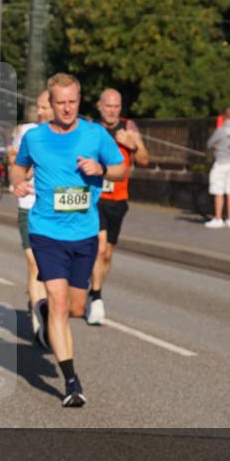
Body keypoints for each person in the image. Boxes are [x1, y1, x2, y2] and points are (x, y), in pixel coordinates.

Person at [11, 73, 126, 408]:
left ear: (80, 99)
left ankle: (45, 310)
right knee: (61, 304)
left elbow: (120, 169)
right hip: (46, 231)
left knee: (75, 308)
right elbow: (19, 168)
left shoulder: (95, 134)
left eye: (72, 102)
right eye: (60, 102)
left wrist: (101, 170)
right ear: (50, 101)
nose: (66, 108)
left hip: (84, 233)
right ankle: (72, 382)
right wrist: (19, 183)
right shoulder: (36, 137)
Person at [87, 88, 150, 325]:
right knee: (100, 248)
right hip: (95, 197)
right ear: (99, 105)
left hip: (119, 199)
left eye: (117, 106)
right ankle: (96, 298)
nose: (112, 110)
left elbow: (144, 160)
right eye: (108, 106)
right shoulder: (92, 129)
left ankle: (93, 287)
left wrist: (133, 146)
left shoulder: (129, 128)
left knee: (108, 253)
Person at [9, 89, 53, 346]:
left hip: (57, 211)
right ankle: (40, 320)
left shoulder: (68, 136)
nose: (39, 112)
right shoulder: (27, 133)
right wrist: (22, 176)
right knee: (35, 264)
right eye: (38, 107)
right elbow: (14, 163)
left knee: (55, 271)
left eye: (44, 107)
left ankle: (49, 305)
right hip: (29, 206)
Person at [204, 106, 230, 229]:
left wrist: (215, 148)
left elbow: (209, 143)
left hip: (221, 162)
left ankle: (218, 218)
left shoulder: (221, 130)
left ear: (224, 116)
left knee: (218, 191)